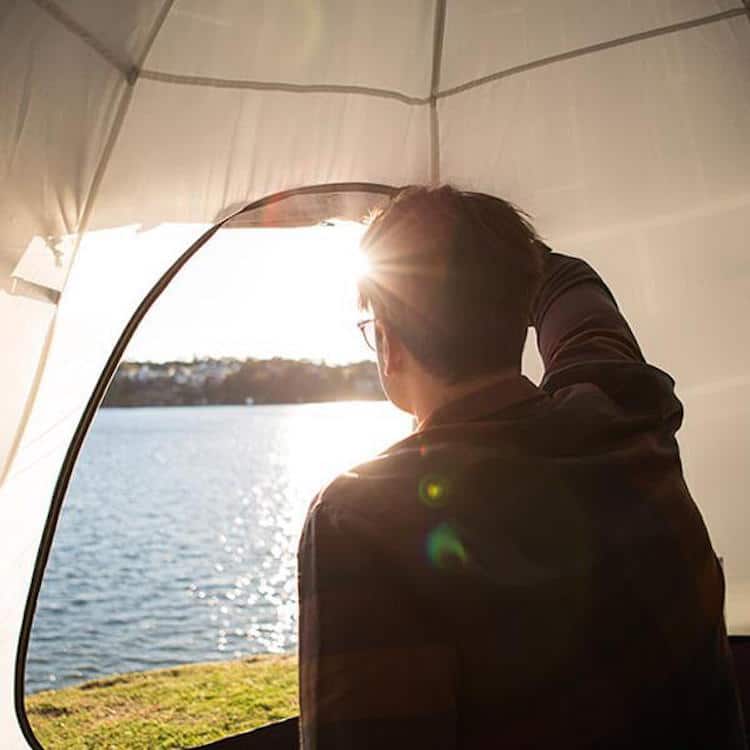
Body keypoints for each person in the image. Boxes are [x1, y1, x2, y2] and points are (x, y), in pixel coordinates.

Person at [296, 185, 747, 749]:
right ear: (518, 306)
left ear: (386, 344)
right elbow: (572, 282)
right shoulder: (625, 413)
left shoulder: (356, 520)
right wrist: (485, 248)